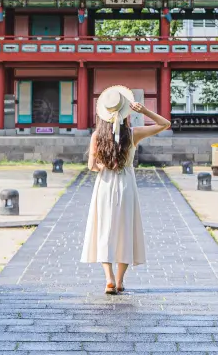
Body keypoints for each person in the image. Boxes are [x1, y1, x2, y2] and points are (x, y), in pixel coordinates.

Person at [80, 85, 171, 294]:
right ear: (125, 112)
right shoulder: (133, 134)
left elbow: (91, 166)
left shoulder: (96, 136)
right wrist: (144, 111)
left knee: (104, 230)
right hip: (126, 184)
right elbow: (165, 124)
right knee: (124, 230)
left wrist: (105, 166)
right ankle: (120, 281)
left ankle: (109, 279)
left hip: (104, 185)